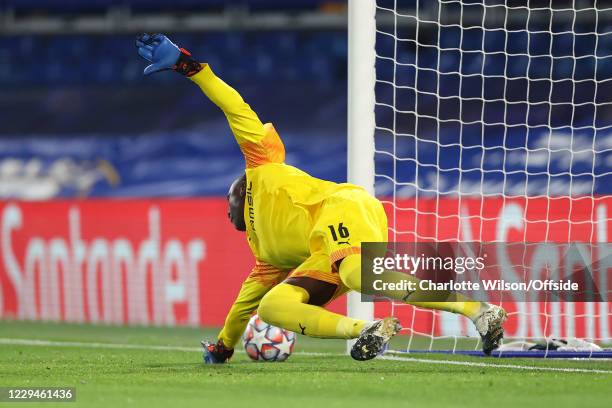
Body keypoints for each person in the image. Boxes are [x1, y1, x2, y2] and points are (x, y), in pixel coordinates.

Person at [135, 33, 506, 363]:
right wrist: (223, 346)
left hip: (344, 207)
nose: (227, 209)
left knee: (355, 272)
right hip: (327, 253)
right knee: (272, 305)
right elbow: (242, 307)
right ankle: (366, 329)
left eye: (228, 202)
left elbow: (235, 108)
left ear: (238, 195)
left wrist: (189, 67)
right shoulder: (265, 256)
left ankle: (478, 310)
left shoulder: (260, 165)